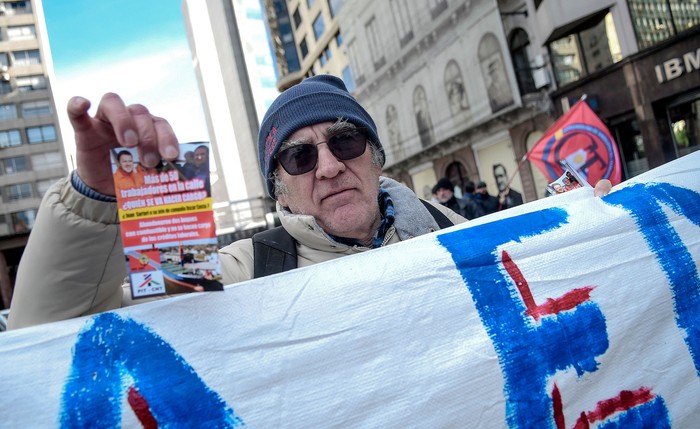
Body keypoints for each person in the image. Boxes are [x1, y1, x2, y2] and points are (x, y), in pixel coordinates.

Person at [8, 75, 612, 330]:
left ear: (375, 157)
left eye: (345, 142)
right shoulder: (245, 268)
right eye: (299, 157)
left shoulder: (444, 225)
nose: (328, 166)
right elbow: (54, 337)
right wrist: (95, 198)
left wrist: (600, 226)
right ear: (281, 188)